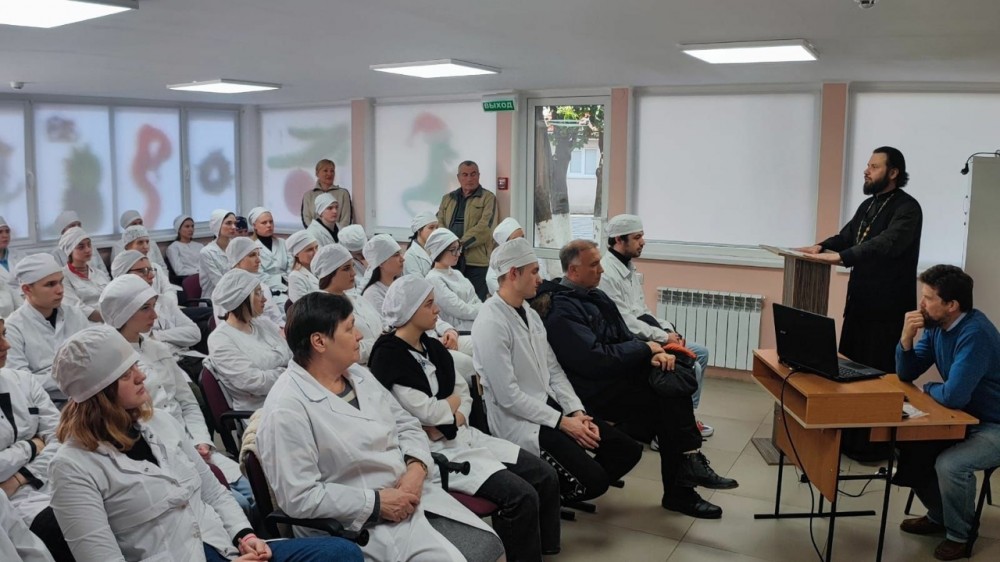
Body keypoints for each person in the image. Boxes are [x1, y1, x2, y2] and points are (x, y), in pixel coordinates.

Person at [47, 325, 362, 562]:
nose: (141, 376)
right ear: (100, 392)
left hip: (223, 546)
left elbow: (213, 492)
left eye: (136, 367)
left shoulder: (158, 423)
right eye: (126, 375)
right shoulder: (73, 467)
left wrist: (244, 535)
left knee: (341, 553)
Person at [256, 291, 504, 562]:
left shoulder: (358, 374)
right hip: (358, 526)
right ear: (319, 342)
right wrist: (376, 503)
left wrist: (416, 468)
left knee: (492, 544)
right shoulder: (286, 408)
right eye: (350, 328)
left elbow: (407, 424)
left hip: (410, 493)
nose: (359, 335)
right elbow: (299, 496)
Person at [537, 240, 738, 518]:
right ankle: (684, 478)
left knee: (669, 386)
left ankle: (686, 472)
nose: (601, 270)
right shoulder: (562, 310)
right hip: (588, 390)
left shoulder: (595, 296)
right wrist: (645, 350)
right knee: (667, 397)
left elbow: (624, 336)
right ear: (573, 271)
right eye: (594, 265)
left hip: (612, 378)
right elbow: (595, 360)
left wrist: (651, 353)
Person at [369, 275, 562, 561]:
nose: (437, 310)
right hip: (436, 451)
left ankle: (544, 550)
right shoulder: (388, 356)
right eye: (429, 304)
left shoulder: (432, 347)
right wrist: (449, 409)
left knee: (545, 475)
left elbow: (463, 394)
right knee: (521, 496)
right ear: (409, 311)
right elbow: (428, 413)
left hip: (461, 434)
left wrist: (453, 415)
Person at [473, 239, 643, 505]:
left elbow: (553, 370)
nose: (540, 279)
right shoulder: (491, 321)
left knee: (627, 450)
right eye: (534, 272)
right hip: (520, 421)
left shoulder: (529, 313)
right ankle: (558, 487)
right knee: (596, 482)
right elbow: (508, 397)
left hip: (548, 407)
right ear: (514, 273)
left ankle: (568, 478)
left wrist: (575, 411)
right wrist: (562, 423)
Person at [797, 146, 922, 462]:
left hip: (887, 311)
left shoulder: (908, 209)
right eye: (867, 165)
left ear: (893, 172)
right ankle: (848, 438)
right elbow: (848, 236)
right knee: (849, 371)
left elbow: (886, 243)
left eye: (874, 166)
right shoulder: (869, 205)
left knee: (877, 377)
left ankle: (874, 446)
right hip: (859, 306)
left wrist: (842, 257)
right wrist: (821, 246)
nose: (866, 171)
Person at [98, 275, 255, 514]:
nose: (155, 315)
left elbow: (187, 402)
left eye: (154, 306)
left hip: (192, 444)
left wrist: (202, 440)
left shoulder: (158, 348)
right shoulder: (110, 363)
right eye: (145, 308)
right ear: (123, 314)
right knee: (237, 505)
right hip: (160, 457)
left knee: (255, 493)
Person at [893, 265, 1000, 561]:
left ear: (952, 305)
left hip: (993, 423)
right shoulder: (936, 326)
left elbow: (953, 396)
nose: (921, 304)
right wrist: (906, 339)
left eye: (928, 298)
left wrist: (929, 388)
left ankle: (960, 535)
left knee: (951, 465)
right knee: (910, 445)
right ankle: (940, 514)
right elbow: (907, 372)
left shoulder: (975, 334)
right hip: (963, 417)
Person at [599, 214, 714, 439]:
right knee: (692, 366)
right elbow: (626, 321)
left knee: (701, 353)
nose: (643, 242)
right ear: (619, 240)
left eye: (642, 236)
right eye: (637, 237)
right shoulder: (607, 274)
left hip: (647, 333)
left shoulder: (628, 267)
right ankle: (671, 429)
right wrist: (662, 337)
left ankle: (687, 418)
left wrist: (668, 330)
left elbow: (642, 310)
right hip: (631, 340)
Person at [0, 313, 72, 561]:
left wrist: (21, 476)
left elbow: (61, 438)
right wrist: (31, 446)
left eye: (3, 334)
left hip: (53, 478)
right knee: (63, 532)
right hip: (14, 504)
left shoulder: (24, 381)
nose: (6, 345)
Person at [5, 254, 90, 402]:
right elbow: (21, 380)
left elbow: (92, 358)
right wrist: (71, 377)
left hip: (85, 398)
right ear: (27, 289)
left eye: (61, 282)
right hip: (43, 405)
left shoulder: (75, 315)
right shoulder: (13, 328)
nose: (60, 290)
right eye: (50, 284)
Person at [206, 269, 291, 412]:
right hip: (262, 409)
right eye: (258, 293)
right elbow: (257, 383)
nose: (264, 299)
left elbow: (291, 355)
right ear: (242, 300)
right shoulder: (220, 340)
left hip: (287, 395)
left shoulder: (263, 323)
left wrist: (285, 371)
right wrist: (291, 372)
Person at [110, 250, 205, 378]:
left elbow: (194, 333)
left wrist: (156, 335)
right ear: (123, 276)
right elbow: (143, 348)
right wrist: (175, 336)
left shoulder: (163, 300)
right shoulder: (120, 314)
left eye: (151, 270)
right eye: (142, 271)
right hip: (161, 368)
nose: (151, 276)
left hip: (188, 357)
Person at [312, 245, 383, 365]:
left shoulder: (359, 299)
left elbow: (384, 326)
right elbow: (345, 351)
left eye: (353, 267)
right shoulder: (322, 310)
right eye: (346, 268)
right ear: (329, 274)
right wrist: (382, 345)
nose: (353, 273)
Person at [436, 160, 497, 301]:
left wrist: (458, 245)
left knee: (476, 302)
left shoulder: (488, 198)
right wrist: (449, 246)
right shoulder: (448, 198)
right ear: (458, 177)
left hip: (476, 262)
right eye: (465, 175)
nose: (469, 178)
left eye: (473, 174)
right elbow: (439, 222)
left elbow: (485, 228)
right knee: (453, 301)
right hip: (450, 261)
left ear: (479, 176)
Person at [425, 228, 481, 332]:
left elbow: (475, 299)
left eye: (459, 248)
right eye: (453, 250)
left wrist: (479, 309)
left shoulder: (457, 274)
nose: (458, 254)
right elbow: (458, 309)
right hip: (457, 331)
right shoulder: (433, 278)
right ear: (439, 251)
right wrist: (482, 311)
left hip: (475, 324)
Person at [223, 237, 286, 328]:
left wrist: (284, 330)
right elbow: (226, 326)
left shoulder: (262, 286)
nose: (258, 260)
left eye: (258, 255)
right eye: (252, 255)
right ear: (237, 259)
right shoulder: (227, 291)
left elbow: (277, 318)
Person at [484, 217, 548, 296]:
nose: (521, 242)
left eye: (522, 237)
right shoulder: (493, 276)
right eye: (515, 240)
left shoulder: (528, 258)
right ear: (505, 245)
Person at [59, 227, 110, 323]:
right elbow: (75, 307)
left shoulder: (99, 273)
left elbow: (113, 296)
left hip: (110, 320)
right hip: (85, 324)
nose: (88, 250)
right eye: (81, 247)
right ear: (70, 251)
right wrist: (108, 319)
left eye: (89, 245)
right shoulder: (63, 276)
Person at [248, 207, 291, 304]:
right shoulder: (250, 247)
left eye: (271, 222)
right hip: (267, 291)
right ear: (254, 225)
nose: (269, 225)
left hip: (290, 284)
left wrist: (290, 281)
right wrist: (282, 282)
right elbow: (259, 275)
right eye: (264, 223)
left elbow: (291, 265)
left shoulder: (282, 243)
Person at [50, 211, 109, 277]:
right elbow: (59, 278)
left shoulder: (89, 246)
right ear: (63, 231)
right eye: (72, 226)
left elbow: (103, 270)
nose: (77, 228)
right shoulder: (56, 253)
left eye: (79, 225)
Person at [301, 159, 353, 229]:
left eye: (332, 171)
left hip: (338, 235)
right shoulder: (308, 195)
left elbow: (346, 219)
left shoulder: (343, 193)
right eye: (325, 171)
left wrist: (336, 233)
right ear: (317, 173)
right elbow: (306, 218)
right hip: (314, 234)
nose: (329, 174)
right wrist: (316, 233)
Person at [360, 234, 406, 313]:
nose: (402, 259)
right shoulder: (372, 294)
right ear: (381, 263)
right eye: (396, 255)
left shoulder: (398, 286)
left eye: (400, 254)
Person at [199, 209, 238, 298]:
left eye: (235, 223)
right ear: (217, 225)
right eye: (228, 223)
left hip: (236, 293)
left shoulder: (237, 246)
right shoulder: (207, 252)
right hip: (214, 298)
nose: (233, 227)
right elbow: (219, 283)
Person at [165, 214, 203, 281]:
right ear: (179, 230)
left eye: (192, 226)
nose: (191, 229)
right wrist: (198, 272)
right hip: (189, 279)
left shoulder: (200, 246)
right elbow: (179, 271)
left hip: (205, 276)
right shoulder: (173, 248)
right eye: (187, 226)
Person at [285, 230, 319, 304]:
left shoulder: (320, 271)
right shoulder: (295, 277)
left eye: (316, 247)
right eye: (309, 250)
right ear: (297, 254)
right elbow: (303, 307)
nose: (315, 253)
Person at [1, 216, 24, 317]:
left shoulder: (20, 256)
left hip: (25, 300)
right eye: (0, 232)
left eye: (7, 231)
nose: (5, 235)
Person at [403, 211, 438, 278]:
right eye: (431, 227)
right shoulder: (410, 256)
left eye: (437, 227)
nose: (435, 231)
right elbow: (417, 282)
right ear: (419, 230)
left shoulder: (437, 250)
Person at [338, 224, 368, 290]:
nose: (363, 256)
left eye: (364, 251)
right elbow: (357, 291)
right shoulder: (342, 264)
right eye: (358, 254)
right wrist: (370, 271)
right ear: (347, 251)